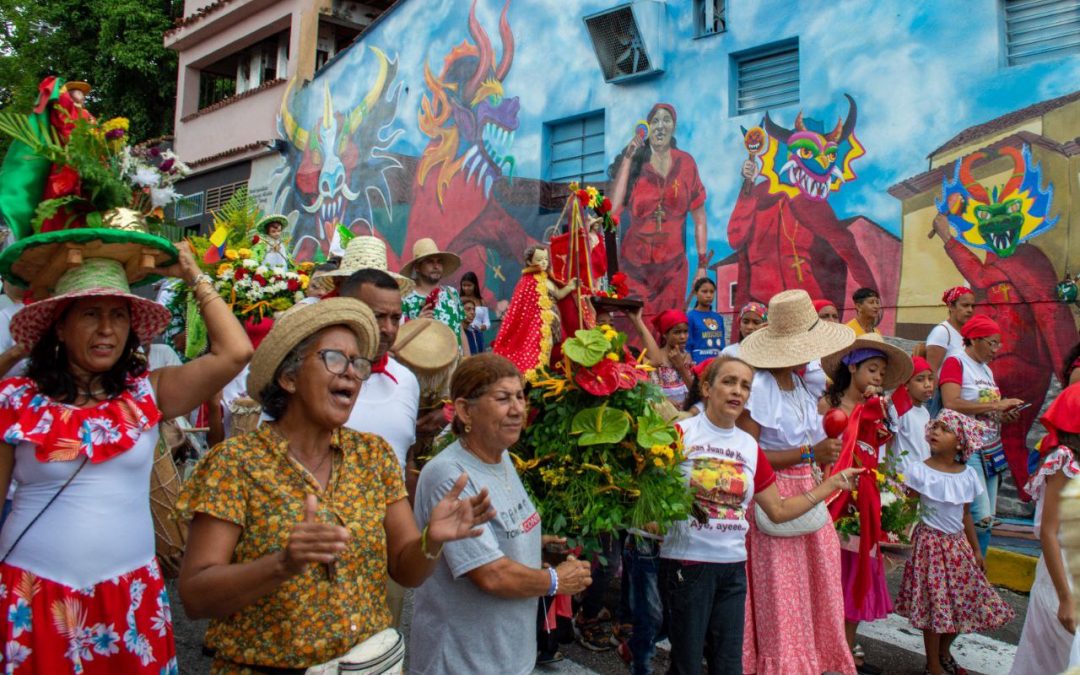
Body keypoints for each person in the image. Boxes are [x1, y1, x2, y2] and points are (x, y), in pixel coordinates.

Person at [177, 299, 492, 673]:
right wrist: (282, 564)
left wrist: (431, 540)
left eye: (358, 363)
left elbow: (406, 572)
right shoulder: (236, 463)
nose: (351, 374)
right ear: (289, 377)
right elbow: (195, 597)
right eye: (333, 359)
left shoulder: (373, 456)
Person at [0, 245, 253, 674]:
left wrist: (192, 273)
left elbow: (235, 352)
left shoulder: (150, 392)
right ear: (59, 327)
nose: (106, 330)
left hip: (130, 597)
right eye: (90, 314)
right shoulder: (14, 400)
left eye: (118, 315)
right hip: (30, 593)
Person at [662, 356, 862, 674]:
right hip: (689, 566)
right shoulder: (679, 434)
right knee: (686, 664)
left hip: (733, 570)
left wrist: (832, 485)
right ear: (706, 387)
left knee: (728, 665)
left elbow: (779, 510)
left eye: (744, 386)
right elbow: (646, 490)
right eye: (728, 382)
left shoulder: (748, 447)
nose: (737, 391)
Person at [409, 353, 593, 674]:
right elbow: (489, 574)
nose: (518, 409)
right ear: (465, 410)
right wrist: (555, 580)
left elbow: (500, 532)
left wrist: (537, 541)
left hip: (509, 654)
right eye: (503, 398)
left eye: (520, 396)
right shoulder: (449, 475)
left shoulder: (501, 455)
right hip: (461, 661)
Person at [735, 289, 858, 674]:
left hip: (809, 492)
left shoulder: (802, 385)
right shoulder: (760, 388)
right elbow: (747, 454)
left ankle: (812, 663)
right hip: (776, 498)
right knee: (782, 597)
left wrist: (818, 457)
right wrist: (809, 455)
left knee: (817, 589)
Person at [895, 409, 1014, 675]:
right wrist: (896, 538)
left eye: (944, 429)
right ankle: (933, 664)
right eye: (934, 427)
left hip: (957, 545)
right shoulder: (919, 471)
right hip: (929, 547)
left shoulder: (968, 475)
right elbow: (908, 508)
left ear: (961, 442)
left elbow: (965, 515)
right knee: (936, 607)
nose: (935, 431)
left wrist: (975, 550)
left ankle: (943, 651)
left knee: (967, 601)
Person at [820, 333, 914, 673]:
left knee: (855, 584)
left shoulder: (875, 411)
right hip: (833, 502)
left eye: (881, 373)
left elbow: (882, 451)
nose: (877, 377)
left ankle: (843, 655)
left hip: (866, 504)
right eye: (871, 369)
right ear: (852, 367)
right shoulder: (828, 407)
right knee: (830, 583)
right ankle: (824, 653)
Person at [609, 103, 708, 319]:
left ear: (674, 126)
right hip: (635, 269)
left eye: (666, 120)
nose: (660, 126)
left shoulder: (686, 163)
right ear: (647, 128)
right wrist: (628, 158)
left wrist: (702, 266)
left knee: (670, 330)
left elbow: (699, 219)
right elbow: (614, 210)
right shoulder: (636, 163)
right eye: (655, 121)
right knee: (635, 332)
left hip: (673, 270)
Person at [939, 314, 1024, 556]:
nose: (996, 349)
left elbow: (987, 408)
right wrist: (996, 406)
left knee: (989, 516)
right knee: (980, 514)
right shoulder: (956, 362)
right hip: (968, 448)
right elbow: (951, 403)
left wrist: (1003, 414)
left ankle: (978, 571)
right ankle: (971, 569)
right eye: (992, 343)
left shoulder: (986, 370)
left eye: (998, 343)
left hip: (991, 448)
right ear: (974, 339)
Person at [1010, 384, 1080, 675]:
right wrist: (1065, 598)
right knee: (1048, 660)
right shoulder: (1064, 460)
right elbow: (1049, 532)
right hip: (1062, 574)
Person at [491, 245, 578, 380]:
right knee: (542, 350)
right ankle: (542, 377)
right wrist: (537, 321)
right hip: (537, 327)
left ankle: (546, 375)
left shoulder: (548, 278)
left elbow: (559, 294)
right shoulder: (526, 282)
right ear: (530, 262)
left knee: (552, 350)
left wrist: (570, 287)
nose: (543, 262)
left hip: (553, 322)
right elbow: (522, 310)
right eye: (539, 259)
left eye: (545, 259)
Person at [400, 238, 468, 350]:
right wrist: (417, 324)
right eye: (430, 261)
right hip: (423, 364)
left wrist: (468, 363)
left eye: (439, 261)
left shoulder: (452, 293)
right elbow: (399, 338)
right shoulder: (406, 298)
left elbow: (461, 332)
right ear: (417, 267)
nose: (436, 266)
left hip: (457, 365)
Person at [629, 308, 692, 408]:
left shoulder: (687, 358)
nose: (683, 336)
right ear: (665, 334)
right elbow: (650, 391)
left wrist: (681, 367)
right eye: (677, 332)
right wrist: (666, 401)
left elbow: (695, 392)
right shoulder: (655, 361)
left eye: (685, 331)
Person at [889, 357, 935, 463]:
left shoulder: (925, 412)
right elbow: (889, 442)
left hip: (922, 474)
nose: (928, 384)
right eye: (920, 379)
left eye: (930, 378)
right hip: (902, 476)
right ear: (906, 384)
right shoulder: (899, 409)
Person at [925, 286, 975, 376]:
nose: (970, 310)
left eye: (972, 306)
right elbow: (931, 373)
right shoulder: (941, 333)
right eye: (965, 305)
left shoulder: (969, 334)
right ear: (951, 306)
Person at [686, 277, 726, 364]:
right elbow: (688, 343)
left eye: (712, 292)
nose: (709, 295)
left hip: (718, 363)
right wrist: (688, 356)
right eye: (704, 291)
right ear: (696, 293)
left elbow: (722, 342)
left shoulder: (718, 317)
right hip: (699, 362)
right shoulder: (690, 317)